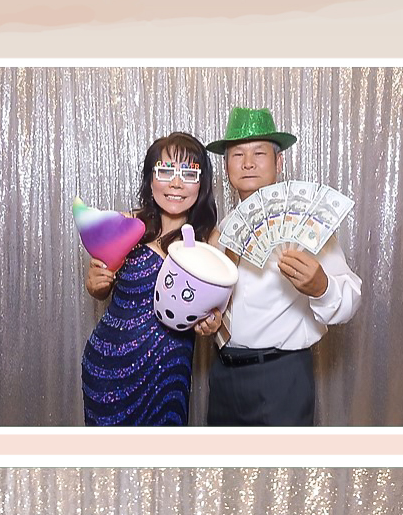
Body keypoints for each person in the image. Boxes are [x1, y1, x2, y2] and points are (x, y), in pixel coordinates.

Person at [199, 107, 362, 426]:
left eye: (259, 153)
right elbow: (216, 304)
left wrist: (322, 287)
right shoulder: (223, 230)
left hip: (280, 379)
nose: (248, 162)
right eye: (237, 154)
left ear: (279, 162)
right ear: (226, 165)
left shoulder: (305, 224)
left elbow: (351, 297)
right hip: (223, 377)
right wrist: (208, 320)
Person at [82, 134, 218, 426]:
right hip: (108, 368)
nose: (176, 183)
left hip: (168, 374)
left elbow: (217, 310)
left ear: (202, 183)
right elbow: (99, 286)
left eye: (189, 173)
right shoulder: (125, 224)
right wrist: (94, 283)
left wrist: (212, 321)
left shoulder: (210, 239)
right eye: (165, 171)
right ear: (150, 179)